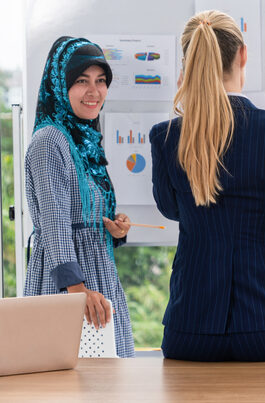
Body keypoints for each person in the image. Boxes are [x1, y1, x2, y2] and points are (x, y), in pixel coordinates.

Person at [150, 10, 265, 361]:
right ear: (243, 55)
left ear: (189, 65)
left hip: (191, 331)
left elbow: (171, 208)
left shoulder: (166, 137)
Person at [24, 36, 135, 357]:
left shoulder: (84, 141)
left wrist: (114, 229)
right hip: (70, 281)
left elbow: (83, 214)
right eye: (82, 81)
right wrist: (77, 291)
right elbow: (56, 222)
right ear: (60, 86)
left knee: (108, 381)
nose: (94, 91)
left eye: (101, 81)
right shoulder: (49, 141)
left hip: (97, 274)